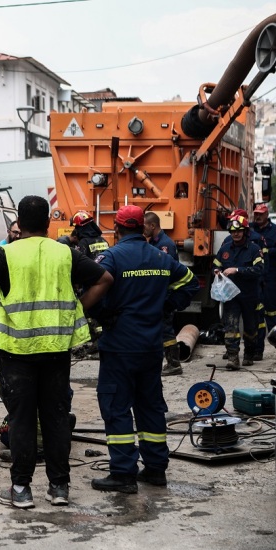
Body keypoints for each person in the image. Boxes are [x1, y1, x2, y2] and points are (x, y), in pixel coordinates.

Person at [0, 196, 113, 509]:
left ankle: (21, 489)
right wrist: (79, 310)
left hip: (16, 351)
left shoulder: (5, 252)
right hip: (56, 349)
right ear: (48, 222)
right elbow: (104, 279)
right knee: (56, 418)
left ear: (19, 222)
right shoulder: (64, 252)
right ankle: (59, 488)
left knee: (21, 420)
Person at [89, 205, 198, 494]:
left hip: (120, 347)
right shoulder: (160, 257)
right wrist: (167, 306)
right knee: (150, 407)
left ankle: (123, 474)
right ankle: (155, 470)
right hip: (151, 347)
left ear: (119, 228)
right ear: (142, 228)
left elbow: (94, 287)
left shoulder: (111, 257)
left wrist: (102, 314)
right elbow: (190, 282)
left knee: (117, 407)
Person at [214, 210, 264, 370]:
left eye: (239, 231)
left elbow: (259, 270)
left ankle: (249, 354)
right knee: (231, 327)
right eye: (233, 231)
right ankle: (233, 358)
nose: (236, 234)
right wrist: (216, 270)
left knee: (250, 328)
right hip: (230, 296)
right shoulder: (225, 249)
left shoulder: (254, 249)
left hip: (249, 295)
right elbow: (216, 263)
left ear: (245, 231)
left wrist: (237, 270)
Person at [143, 212, 182, 376]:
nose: (142, 229)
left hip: (164, 294)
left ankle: (174, 364)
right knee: (160, 328)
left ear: (153, 226)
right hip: (157, 293)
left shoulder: (165, 245)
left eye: (144, 225)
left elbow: (165, 271)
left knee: (166, 329)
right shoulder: (154, 242)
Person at [251, 203, 276, 347]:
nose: (258, 216)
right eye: (256, 214)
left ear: (267, 215)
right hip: (254, 277)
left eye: (261, 214)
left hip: (269, 276)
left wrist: (268, 251)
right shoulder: (250, 229)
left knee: (271, 308)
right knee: (255, 309)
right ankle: (255, 341)